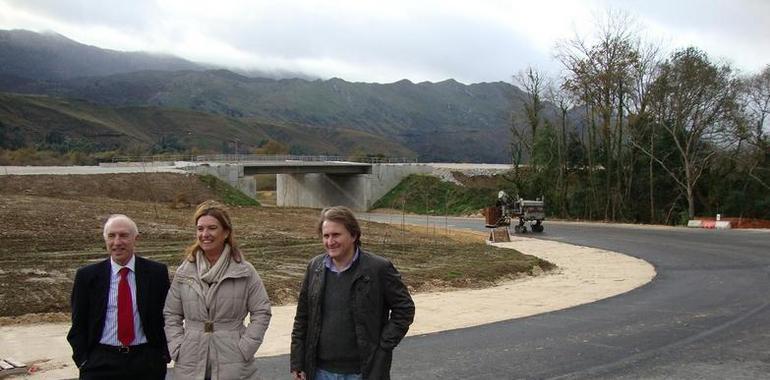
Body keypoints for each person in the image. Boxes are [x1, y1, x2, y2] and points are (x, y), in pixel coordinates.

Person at [290, 206, 416, 380]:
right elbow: (302, 318)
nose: (330, 241)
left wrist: (383, 346)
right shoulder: (315, 268)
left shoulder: (378, 269)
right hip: (320, 372)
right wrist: (297, 362)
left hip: (362, 372)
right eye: (326, 236)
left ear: (354, 235)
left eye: (336, 235)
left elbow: (405, 309)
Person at [164, 200, 271, 380]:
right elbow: (171, 314)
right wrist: (177, 346)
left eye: (212, 228)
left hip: (233, 360)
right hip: (191, 359)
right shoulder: (185, 272)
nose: (205, 234)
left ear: (226, 232)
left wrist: (245, 347)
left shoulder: (244, 271)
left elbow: (262, 311)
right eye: (200, 229)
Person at [67, 214, 171, 380]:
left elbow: (167, 316)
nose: (117, 242)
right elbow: (78, 323)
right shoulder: (87, 276)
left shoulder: (156, 273)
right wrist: (83, 360)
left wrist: (162, 355)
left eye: (123, 235)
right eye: (111, 236)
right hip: (101, 363)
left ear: (136, 238)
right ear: (105, 240)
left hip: (146, 362)